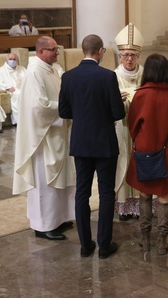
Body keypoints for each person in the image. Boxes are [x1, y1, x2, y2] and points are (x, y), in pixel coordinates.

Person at [59, 34, 125, 259]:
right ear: (100, 51)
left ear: (82, 50)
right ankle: (104, 245)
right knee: (106, 194)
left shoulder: (68, 77)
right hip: (104, 143)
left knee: (82, 193)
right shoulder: (108, 76)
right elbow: (118, 113)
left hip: (81, 143)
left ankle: (85, 244)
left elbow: (64, 112)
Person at [13, 36, 75, 241]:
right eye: (53, 49)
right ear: (41, 52)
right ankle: (42, 225)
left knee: (60, 179)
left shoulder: (54, 70)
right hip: (42, 137)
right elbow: (38, 107)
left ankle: (58, 218)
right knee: (43, 182)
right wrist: (67, 108)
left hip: (58, 133)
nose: (57, 53)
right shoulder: (34, 73)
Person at [126, 54, 168, 255]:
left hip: (145, 150)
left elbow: (132, 124)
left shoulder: (141, 94)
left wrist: (140, 141)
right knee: (164, 195)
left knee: (145, 193)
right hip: (167, 152)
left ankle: (145, 239)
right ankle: (162, 241)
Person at [113, 23, 146, 221]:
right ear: (119, 56)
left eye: (133, 55)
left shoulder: (145, 74)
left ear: (138, 56)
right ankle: (124, 204)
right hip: (123, 127)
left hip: (142, 128)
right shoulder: (114, 76)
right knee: (123, 160)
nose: (129, 59)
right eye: (125, 55)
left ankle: (142, 202)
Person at [0, 53, 27, 125]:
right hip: (13, 90)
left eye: (14, 59)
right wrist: (6, 87)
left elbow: (28, 78)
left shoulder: (22, 68)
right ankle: (18, 121)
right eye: (10, 59)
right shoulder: (2, 70)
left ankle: (29, 119)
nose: (12, 61)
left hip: (24, 88)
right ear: (7, 61)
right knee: (18, 95)